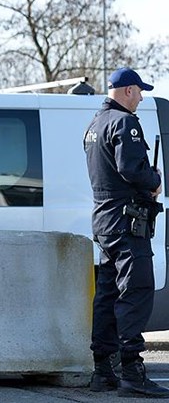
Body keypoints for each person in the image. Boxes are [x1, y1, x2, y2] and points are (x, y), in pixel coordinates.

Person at [84, 67, 169, 398]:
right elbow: (132, 170)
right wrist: (155, 181)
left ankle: (102, 370)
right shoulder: (124, 123)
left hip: (104, 223)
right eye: (140, 91)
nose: (142, 98)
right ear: (129, 90)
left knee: (106, 294)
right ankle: (132, 372)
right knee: (136, 291)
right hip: (126, 222)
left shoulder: (94, 124)